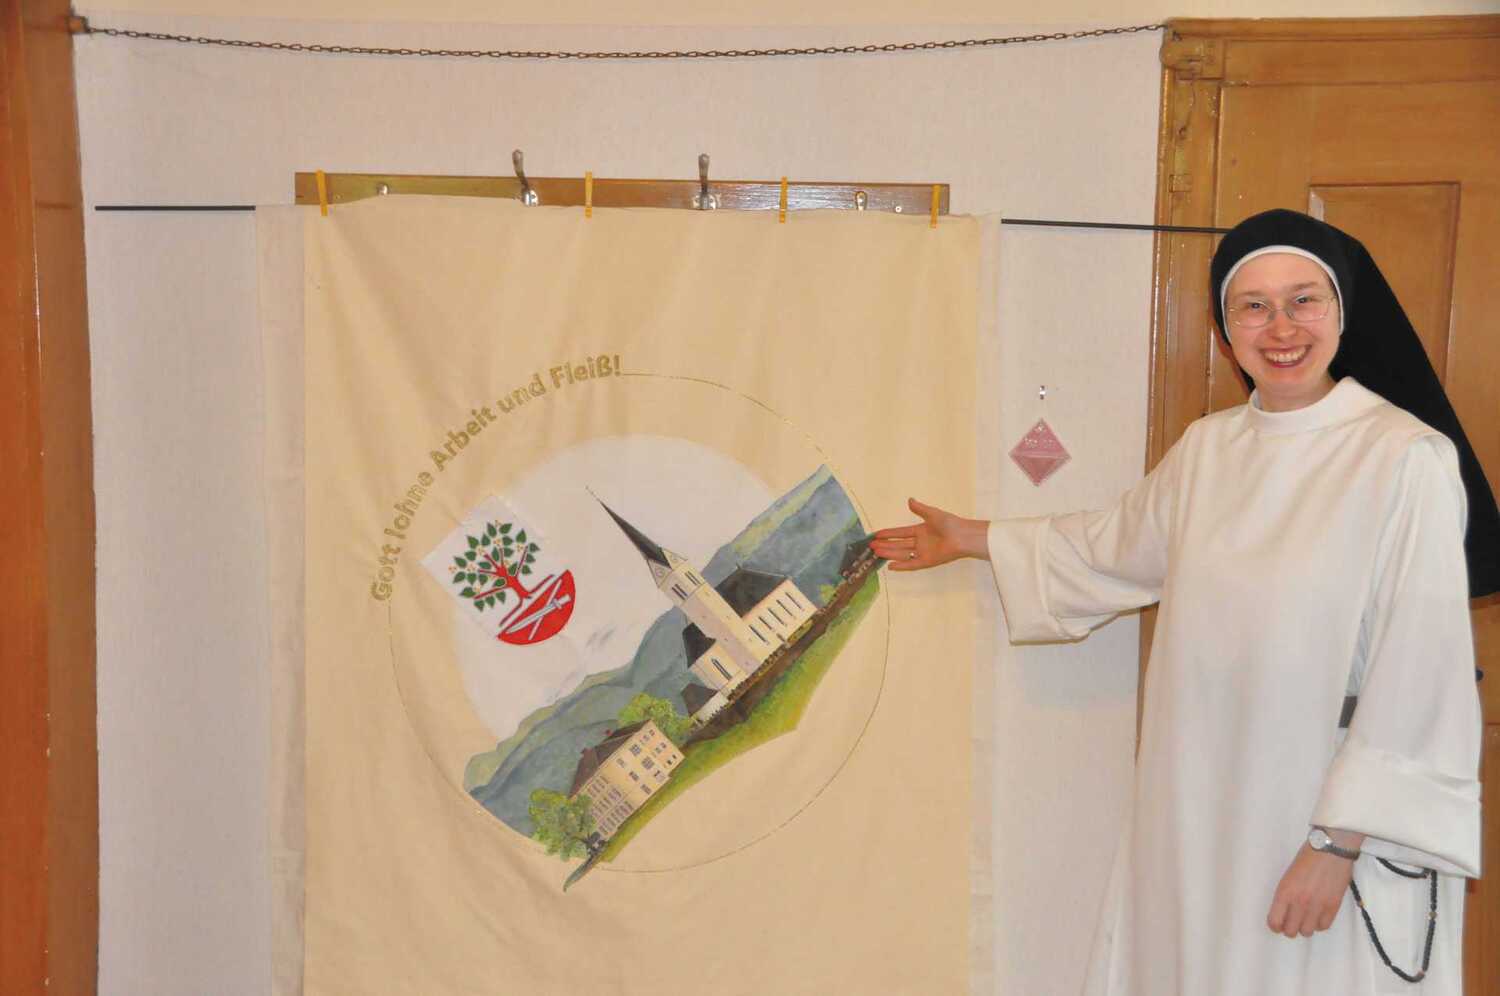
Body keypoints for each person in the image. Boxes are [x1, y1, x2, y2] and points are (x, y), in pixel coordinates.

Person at [871, 209, 1497, 995]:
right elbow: (1110, 546)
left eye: (1303, 301)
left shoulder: (1405, 459)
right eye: (1253, 306)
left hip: (1322, 812)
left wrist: (1337, 846)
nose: (1281, 328)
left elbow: (1422, 671)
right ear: (1225, 332)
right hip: (1198, 803)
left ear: (1342, 313)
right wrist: (975, 538)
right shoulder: (1208, 449)